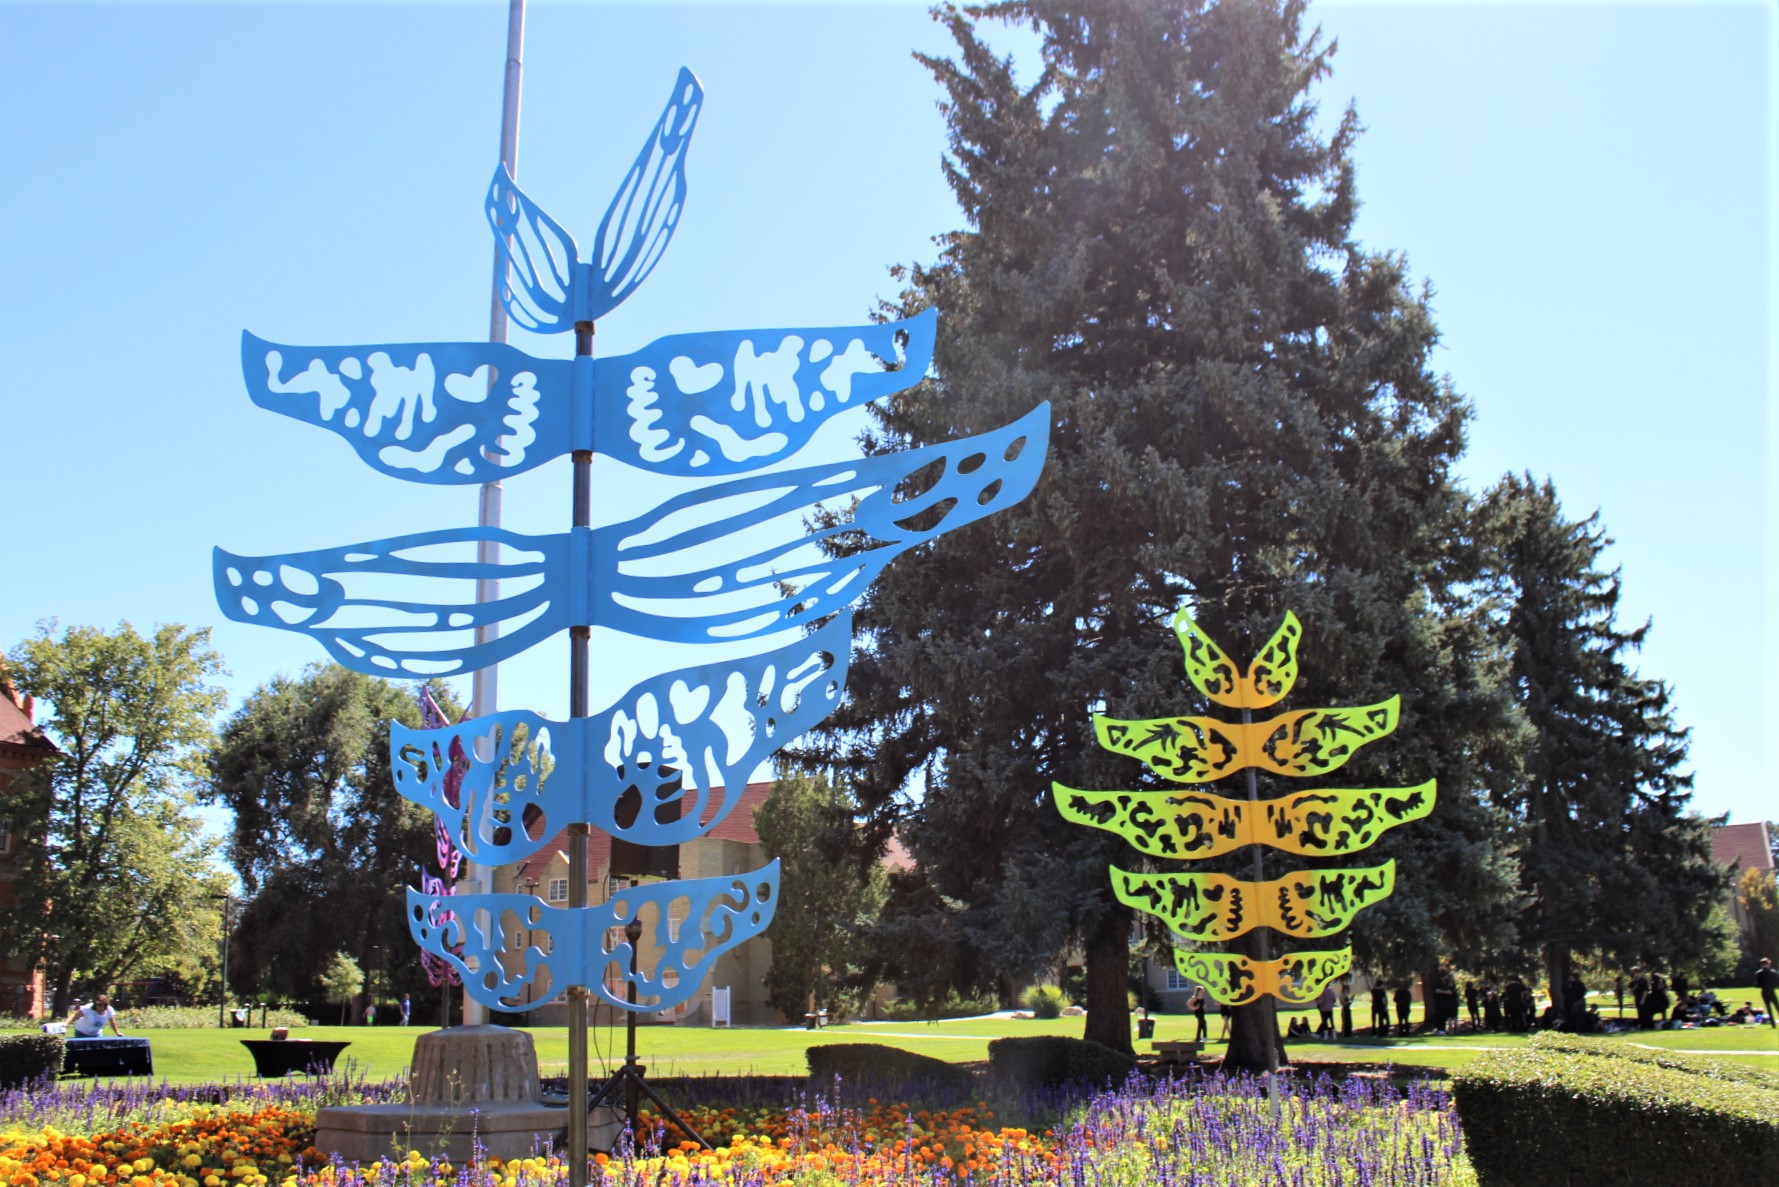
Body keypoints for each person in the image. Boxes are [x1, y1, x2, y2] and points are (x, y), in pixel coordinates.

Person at [1756, 957, 1779, 1028]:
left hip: (1764, 991)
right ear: (1768, 963)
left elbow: (1758, 984)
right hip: (1771, 990)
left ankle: (1773, 1023)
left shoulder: (1758, 973)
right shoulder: (1773, 972)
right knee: (1777, 1006)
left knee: (1768, 1007)